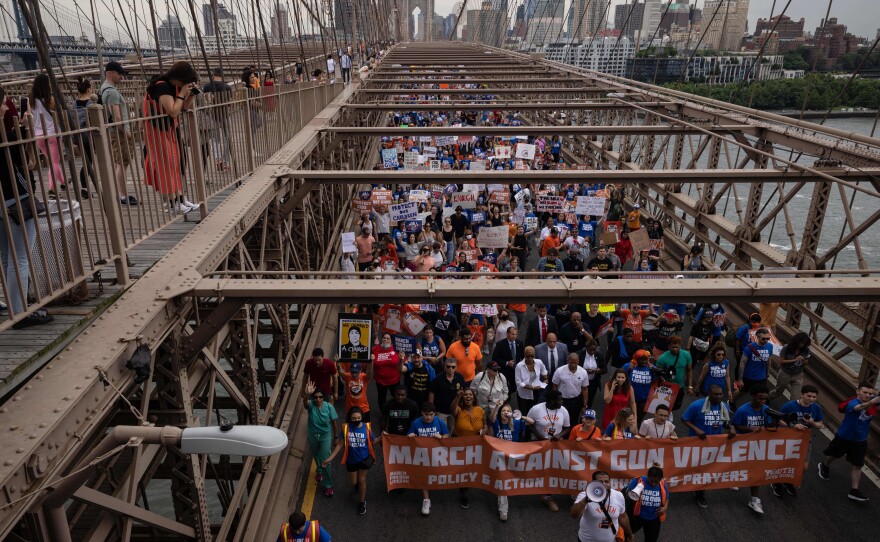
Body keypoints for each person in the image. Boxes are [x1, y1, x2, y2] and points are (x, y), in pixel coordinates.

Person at [0, 92, 53, 329]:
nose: (5, 107)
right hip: (16, 197)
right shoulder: (7, 135)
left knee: (5, 256)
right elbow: (30, 162)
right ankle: (20, 313)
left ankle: (12, 305)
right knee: (20, 257)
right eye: (2, 103)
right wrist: (28, 126)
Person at [142, 61, 199, 214]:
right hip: (157, 130)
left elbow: (183, 108)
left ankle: (181, 199)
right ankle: (173, 203)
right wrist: (181, 94)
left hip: (168, 129)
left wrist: (190, 96)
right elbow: (173, 111)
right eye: (185, 82)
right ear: (179, 79)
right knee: (166, 164)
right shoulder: (162, 87)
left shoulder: (172, 86)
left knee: (176, 162)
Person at [818, 382, 880, 502]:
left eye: (870, 393)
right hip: (844, 437)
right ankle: (824, 465)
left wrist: (876, 401)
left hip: (860, 440)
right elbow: (859, 408)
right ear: (858, 391)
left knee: (858, 465)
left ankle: (854, 490)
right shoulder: (853, 403)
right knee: (835, 455)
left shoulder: (873, 403)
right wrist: (873, 400)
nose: (867, 395)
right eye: (865, 392)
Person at [681, 384, 736, 508]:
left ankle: (699, 492)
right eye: (715, 394)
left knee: (705, 468)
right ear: (709, 394)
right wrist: (697, 430)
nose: (718, 396)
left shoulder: (724, 406)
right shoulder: (697, 406)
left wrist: (731, 428)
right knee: (697, 466)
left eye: (720, 394)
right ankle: (694, 487)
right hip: (697, 443)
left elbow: (725, 422)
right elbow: (684, 419)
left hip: (713, 445)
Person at [323, 406, 381, 515]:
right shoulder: (346, 428)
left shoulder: (367, 428)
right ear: (350, 418)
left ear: (362, 417)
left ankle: (362, 502)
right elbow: (340, 444)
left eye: (358, 417)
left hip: (364, 460)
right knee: (354, 482)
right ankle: (359, 490)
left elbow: (373, 442)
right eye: (354, 418)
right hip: (351, 461)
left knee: (362, 481)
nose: (356, 420)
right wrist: (329, 459)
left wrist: (382, 437)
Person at [732, 383, 779, 514]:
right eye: (760, 398)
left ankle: (754, 499)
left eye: (765, 399)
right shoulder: (742, 410)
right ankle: (734, 479)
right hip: (742, 445)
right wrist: (749, 429)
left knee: (756, 471)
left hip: (758, 446)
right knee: (738, 465)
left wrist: (772, 424)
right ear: (752, 396)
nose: (762, 401)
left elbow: (769, 424)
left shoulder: (766, 409)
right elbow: (734, 425)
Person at [776, 384, 824, 497]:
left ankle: (788, 482)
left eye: (814, 397)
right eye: (809, 396)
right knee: (784, 462)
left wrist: (812, 422)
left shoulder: (816, 408)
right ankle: (776, 482)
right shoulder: (789, 406)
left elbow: (820, 425)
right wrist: (793, 425)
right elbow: (778, 420)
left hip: (806, 441)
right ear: (802, 394)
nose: (811, 399)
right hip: (789, 440)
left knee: (803, 467)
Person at [490, 400, 534, 520]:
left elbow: (531, 422)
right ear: (500, 413)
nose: (506, 412)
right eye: (503, 411)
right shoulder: (497, 422)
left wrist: (519, 416)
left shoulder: (516, 423)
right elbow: (492, 417)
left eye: (508, 411)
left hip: (513, 456)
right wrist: (497, 406)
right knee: (503, 480)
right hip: (499, 457)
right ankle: (503, 510)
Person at [527, 389, 570, 511]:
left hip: (555, 445)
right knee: (537, 468)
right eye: (560, 400)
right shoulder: (536, 409)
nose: (562, 402)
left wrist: (560, 434)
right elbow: (528, 424)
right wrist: (538, 435)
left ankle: (547, 496)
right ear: (552, 401)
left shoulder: (563, 411)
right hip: (538, 444)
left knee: (551, 470)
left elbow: (567, 427)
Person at [407, 402, 449, 515]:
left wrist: (442, 437)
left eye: (431, 414)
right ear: (422, 413)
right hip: (422, 456)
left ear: (435, 413)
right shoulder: (415, 423)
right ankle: (426, 500)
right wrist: (411, 437)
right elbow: (408, 438)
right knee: (424, 476)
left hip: (437, 455)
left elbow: (447, 436)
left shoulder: (440, 421)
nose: (429, 417)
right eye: (426, 414)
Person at [571, 470, 635, 542]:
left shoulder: (618, 495)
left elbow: (623, 517)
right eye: (600, 482)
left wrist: (630, 534)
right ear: (593, 483)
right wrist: (585, 500)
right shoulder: (584, 495)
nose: (604, 484)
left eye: (606, 481)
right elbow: (574, 515)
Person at [28, 74, 65, 193]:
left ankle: (63, 181)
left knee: (51, 160)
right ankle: (52, 188)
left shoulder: (31, 101)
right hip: (52, 133)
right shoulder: (50, 99)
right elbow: (60, 113)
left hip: (38, 135)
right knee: (54, 162)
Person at [303, 380, 338, 497]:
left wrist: (336, 436)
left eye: (320, 397)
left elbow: (334, 423)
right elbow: (305, 403)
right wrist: (308, 394)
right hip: (313, 435)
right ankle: (319, 470)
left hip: (325, 436)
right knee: (316, 455)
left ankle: (328, 485)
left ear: (324, 398)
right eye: (316, 397)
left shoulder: (329, 407)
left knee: (325, 459)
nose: (318, 399)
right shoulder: (311, 405)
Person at [452, 388, 485, 509]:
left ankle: (464, 490)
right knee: (462, 468)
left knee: (469, 468)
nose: (468, 396)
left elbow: (485, 425)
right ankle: (463, 491)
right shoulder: (459, 409)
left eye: (470, 394)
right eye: (465, 395)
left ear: (474, 397)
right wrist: (457, 397)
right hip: (459, 444)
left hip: (474, 446)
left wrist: (484, 430)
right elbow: (452, 410)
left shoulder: (480, 410)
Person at [201, 67, 232, 172]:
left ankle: (218, 159)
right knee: (228, 138)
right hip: (224, 114)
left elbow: (203, 99)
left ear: (213, 74)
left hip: (211, 115)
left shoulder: (207, 86)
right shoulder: (227, 86)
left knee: (215, 139)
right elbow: (230, 102)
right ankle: (225, 160)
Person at [625, 466, 668, 542]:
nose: (654, 484)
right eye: (651, 481)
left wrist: (665, 508)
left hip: (654, 519)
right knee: (626, 536)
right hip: (637, 517)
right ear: (648, 476)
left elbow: (666, 498)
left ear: (660, 479)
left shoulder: (663, 485)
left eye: (656, 482)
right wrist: (633, 496)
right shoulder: (638, 481)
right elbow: (628, 495)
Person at [732, 327, 772, 407]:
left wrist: (767, 373)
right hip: (749, 376)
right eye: (763, 339)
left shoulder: (770, 346)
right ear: (757, 337)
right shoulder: (749, 348)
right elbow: (742, 363)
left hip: (762, 376)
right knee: (742, 391)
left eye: (768, 338)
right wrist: (740, 380)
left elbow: (769, 361)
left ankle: (756, 407)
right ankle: (731, 401)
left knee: (761, 394)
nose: (766, 341)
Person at [770, 331, 811, 400]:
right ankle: (767, 398)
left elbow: (806, 363)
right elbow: (781, 361)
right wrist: (795, 360)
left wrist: (804, 360)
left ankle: (791, 409)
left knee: (796, 397)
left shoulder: (806, 350)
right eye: (802, 343)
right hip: (785, 373)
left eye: (805, 344)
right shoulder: (787, 347)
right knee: (778, 392)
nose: (803, 345)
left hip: (798, 374)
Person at [428, 358, 465, 433]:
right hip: (440, 411)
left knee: (451, 431)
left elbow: (463, 392)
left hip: (454, 411)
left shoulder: (460, 377)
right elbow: (432, 393)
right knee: (441, 431)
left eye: (453, 367)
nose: (450, 369)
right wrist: (431, 408)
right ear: (445, 367)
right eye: (448, 366)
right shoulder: (438, 378)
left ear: (456, 367)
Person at [655, 336, 693, 409]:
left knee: (677, 405)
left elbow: (689, 370)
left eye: (677, 347)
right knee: (664, 406)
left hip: (680, 386)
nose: (675, 349)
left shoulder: (686, 355)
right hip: (667, 387)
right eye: (673, 347)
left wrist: (690, 386)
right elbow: (657, 372)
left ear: (680, 346)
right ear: (669, 346)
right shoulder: (663, 358)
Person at [492, 326, 524, 404]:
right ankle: (506, 400)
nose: (514, 336)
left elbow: (522, 356)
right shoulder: (500, 344)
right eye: (512, 334)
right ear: (507, 334)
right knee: (505, 386)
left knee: (514, 387)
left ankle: (508, 393)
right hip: (505, 370)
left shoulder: (519, 343)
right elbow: (495, 358)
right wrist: (506, 363)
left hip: (516, 370)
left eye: (516, 334)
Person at [553, 352, 590, 419]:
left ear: (578, 361)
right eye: (571, 362)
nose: (573, 364)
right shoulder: (559, 371)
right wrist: (556, 400)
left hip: (576, 400)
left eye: (575, 363)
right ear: (568, 361)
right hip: (562, 400)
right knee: (561, 419)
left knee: (574, 419)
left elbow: (585, 389)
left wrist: (584, 405)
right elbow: (555, 386)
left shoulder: (583, 372)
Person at [622, 350, 656, 417]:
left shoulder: (651, 368)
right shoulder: (628, 366)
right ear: (636, 359)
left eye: (646, 359)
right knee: (629, 418)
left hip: (645, 399)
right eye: (642, 360)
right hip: (630, 398)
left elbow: (657, 381)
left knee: (639, 419)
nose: (644, 362)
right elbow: (619, 376)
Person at [515, 345, 548, 415]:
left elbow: (544, 371)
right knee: (524, 413)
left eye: (532, 356)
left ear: (534, 355)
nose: (530, 358)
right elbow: (518, 382)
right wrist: (532, 388)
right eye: (528, 356)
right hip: (523, 394)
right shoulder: (519, 366)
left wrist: (545, 379)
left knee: (533, 411)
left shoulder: (539, 362)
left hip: (536, 392)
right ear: (524, 355)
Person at [372, 332, 401, 404]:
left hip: (394, 380)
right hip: (380, 381)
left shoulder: (396, 349)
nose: (386, 339)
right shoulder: (375, 349)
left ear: (391, 341)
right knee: (381, 398)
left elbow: (403, 362)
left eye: (388, 338)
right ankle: (383, 413)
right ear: (381, 339)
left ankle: (395, 412)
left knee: (397, 397)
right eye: (384, 338)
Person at [578, 339, 606, 410]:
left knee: (589, 402)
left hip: (593, 383)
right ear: (586, 348)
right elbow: (575, 368)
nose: (592, 352)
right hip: (580, 382)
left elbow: (605, 369)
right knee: (580, 401)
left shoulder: (599, 355)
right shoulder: (580, 354)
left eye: (594, 350)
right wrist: (584, 371)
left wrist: (599, 370)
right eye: (590, 350)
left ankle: (586, 418)